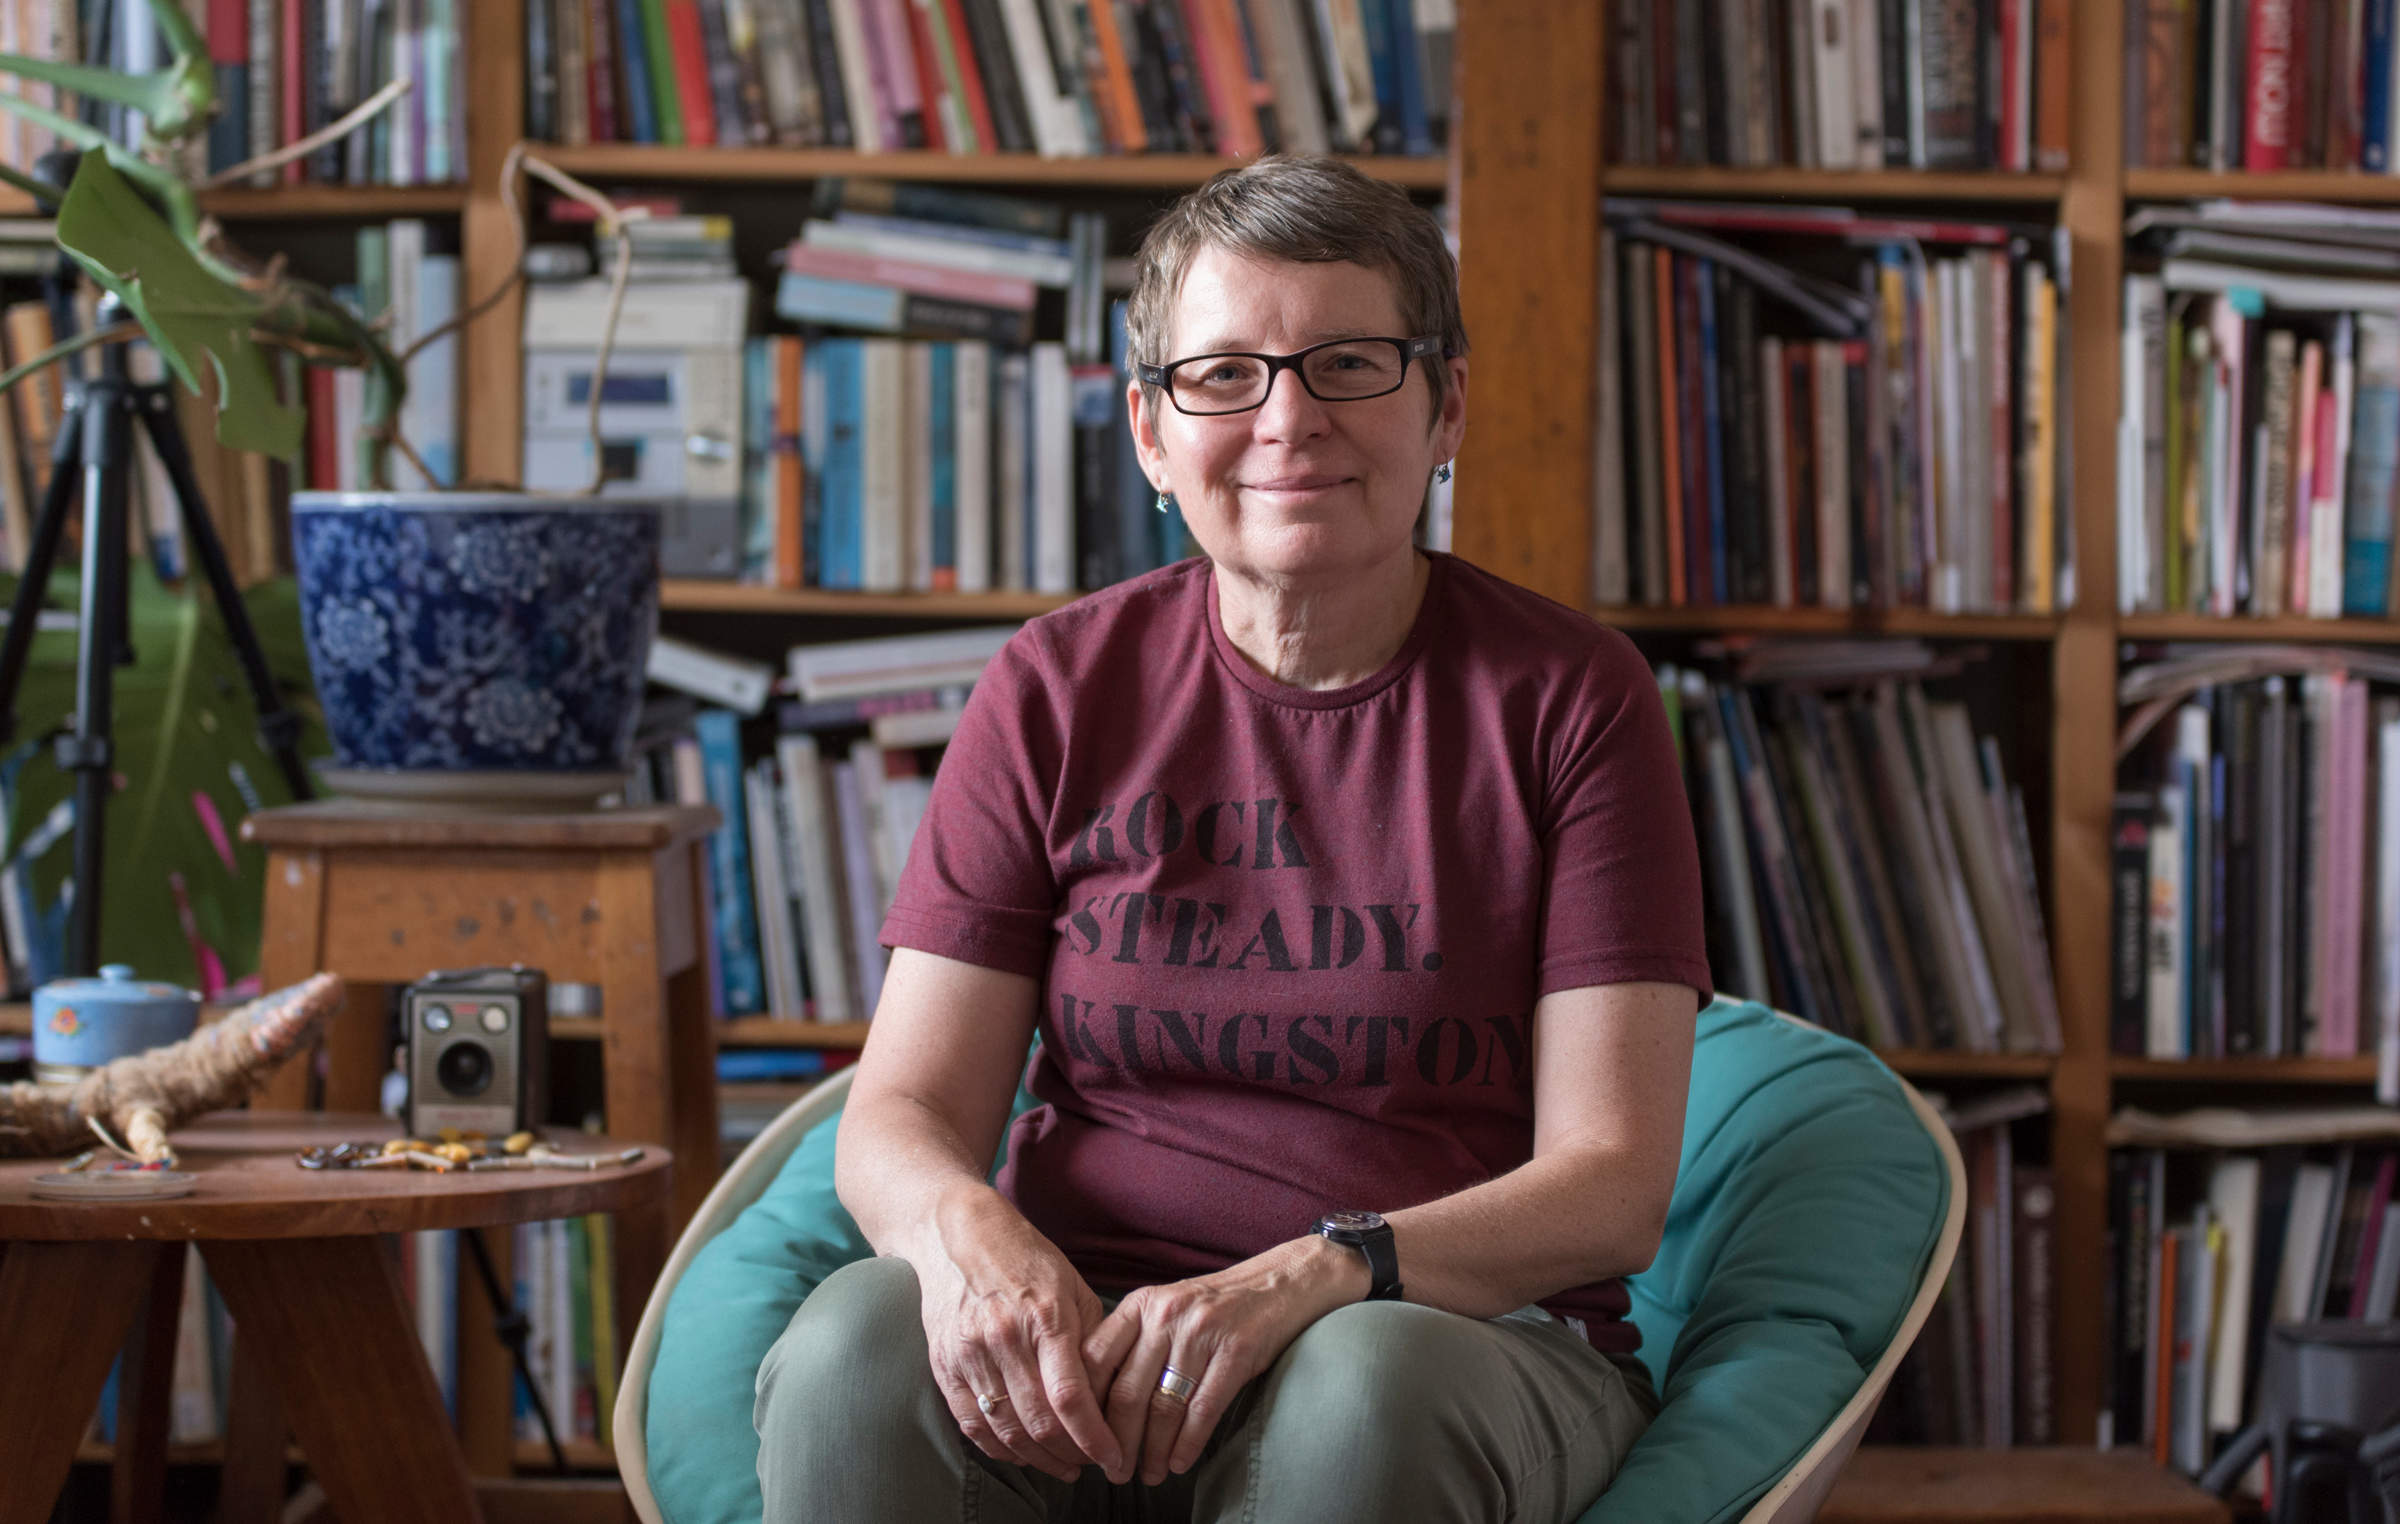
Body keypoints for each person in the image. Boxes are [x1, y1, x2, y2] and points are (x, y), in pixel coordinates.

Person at [753, 153, 1714, 1524]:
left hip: (1444, 1342)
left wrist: (1315, 1275)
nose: (1289, 420)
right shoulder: (1058, 686)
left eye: (1350, 364)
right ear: (1150, 433)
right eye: (1225, 375)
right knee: (854, 1347)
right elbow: (898, 1117)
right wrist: (970, 1241)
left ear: (1446, 407)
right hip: (1094, 1344)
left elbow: (1611, 1188)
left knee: (1359, 1391)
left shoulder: (1572, 699)